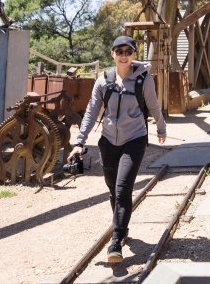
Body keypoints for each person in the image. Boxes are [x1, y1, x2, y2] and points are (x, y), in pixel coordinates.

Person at [67, 35, 166, 264]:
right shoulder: (103, 81)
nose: (123, 55)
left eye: (128, 51)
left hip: (135, 139)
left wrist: (161, 129)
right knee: (113, 190)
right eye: (119, 51)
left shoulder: (144, 79)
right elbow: (91, 112)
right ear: (112, 54)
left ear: (133, 54)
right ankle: (123, 225)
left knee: (123, 189)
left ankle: (116, 240)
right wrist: (79, 142)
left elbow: (153, 105)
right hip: (108, 141)